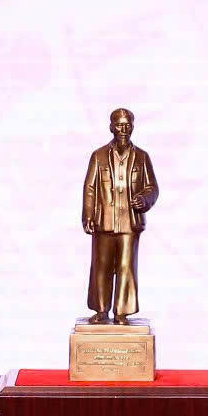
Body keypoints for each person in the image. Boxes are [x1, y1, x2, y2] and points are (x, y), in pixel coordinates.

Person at [81, 107, 160, 324]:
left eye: (127, 125)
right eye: (119, 125)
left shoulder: (142, 157)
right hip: (104, 221)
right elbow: (90, 188)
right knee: (101, 266)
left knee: (126, 267)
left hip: (129, 223)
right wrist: (88, 215)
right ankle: (101, 310)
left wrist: (144, 199)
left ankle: (122, 312)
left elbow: (152, 187)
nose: (123, 129)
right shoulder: (98, 156)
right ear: (111, 127)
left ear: (132, 127)